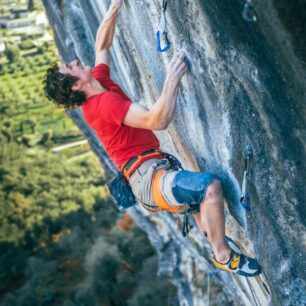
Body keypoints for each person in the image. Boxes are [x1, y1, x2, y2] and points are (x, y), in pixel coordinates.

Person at [43, 0, 261, 277]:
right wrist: (171, 79)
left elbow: (101, 46)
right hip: (148, 181)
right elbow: (156, 120)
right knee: (210, 187)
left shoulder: (99, 84)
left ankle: (214, 238)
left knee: (196, 200)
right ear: (76, 84)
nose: (74, 61)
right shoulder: (103, 105)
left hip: (154, 170)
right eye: (70, 66)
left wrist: (113, 9)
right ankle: (222, 254)